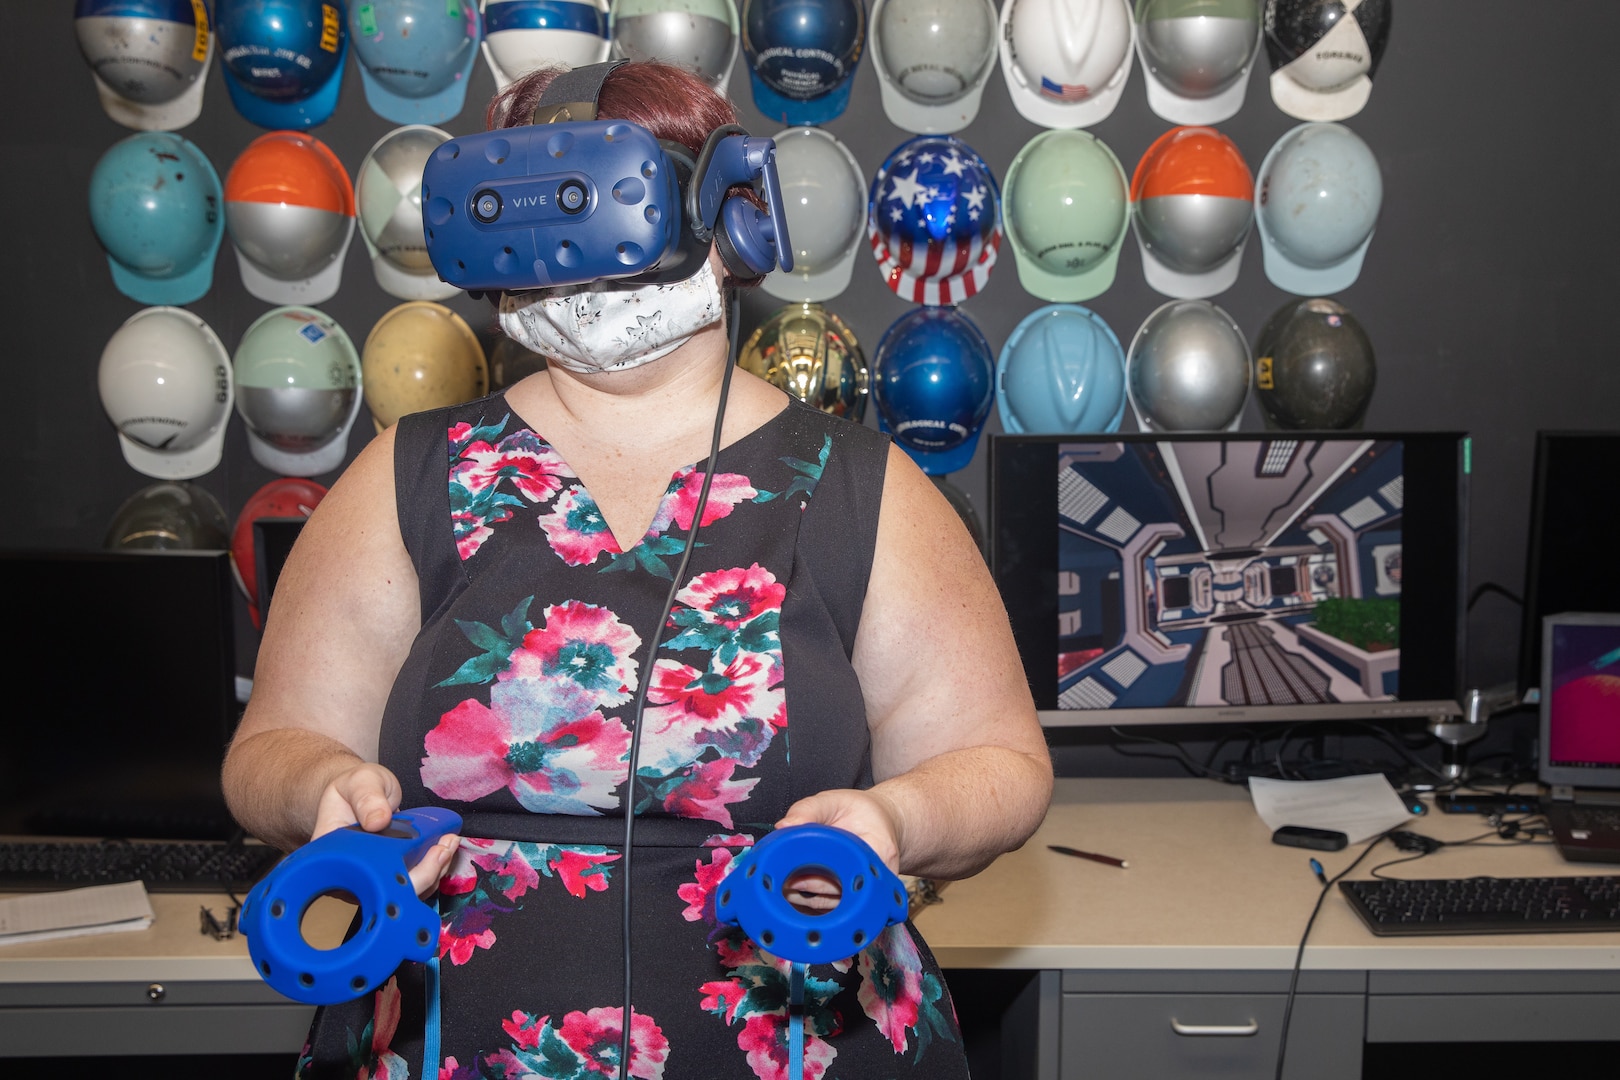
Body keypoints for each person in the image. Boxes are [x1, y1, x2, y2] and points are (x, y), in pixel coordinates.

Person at [222, 60, 1052, 1080]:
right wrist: (323, 781)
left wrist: (896, 819)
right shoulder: (407, 477)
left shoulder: (860, 489)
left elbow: (1002, 767)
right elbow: (267, 752)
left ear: (733, 222)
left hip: (802, 1040)